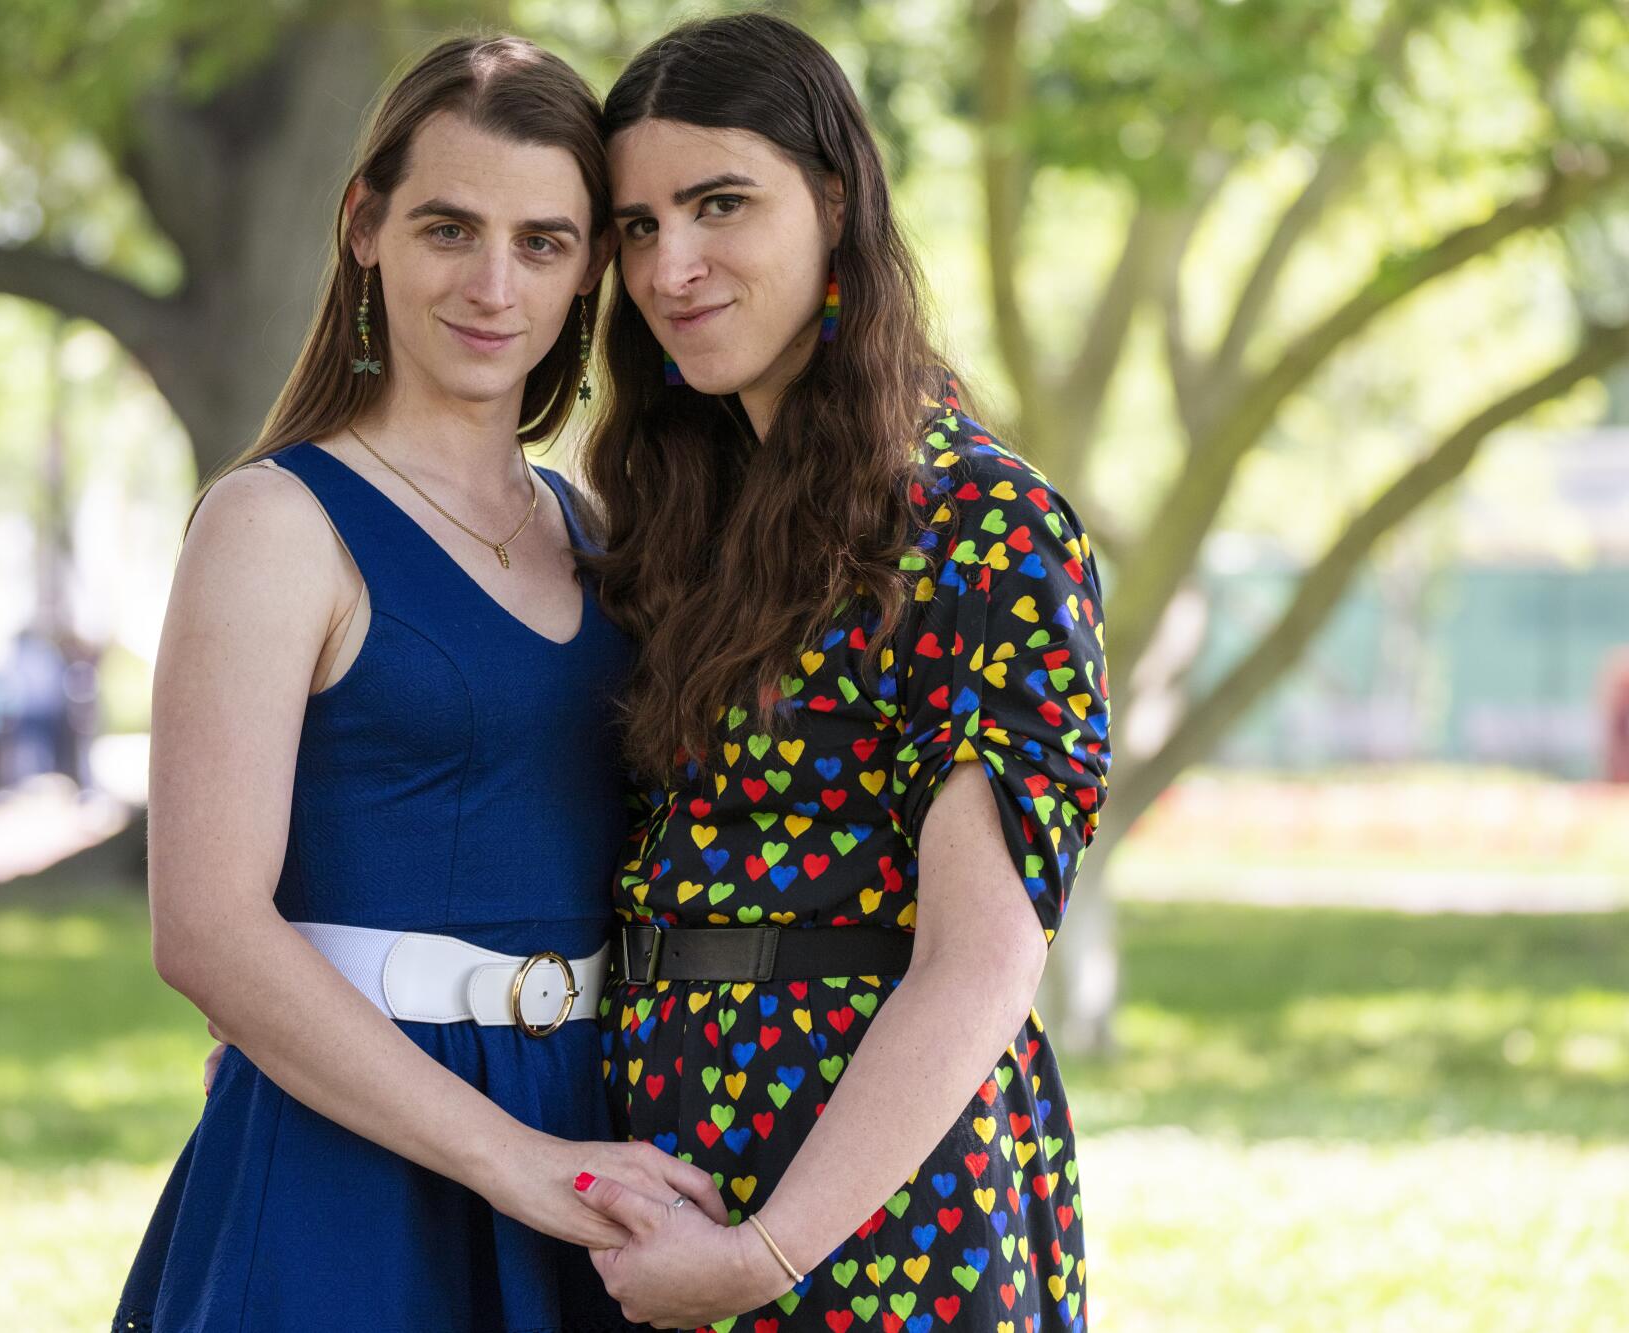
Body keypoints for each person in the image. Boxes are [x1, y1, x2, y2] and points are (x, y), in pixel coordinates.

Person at [111, 35, 723, 1333]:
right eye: (451, 227)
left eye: (545, 241)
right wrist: (520, 1163)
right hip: (345, 1167)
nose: (494, 284)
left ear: (592, 271)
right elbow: (206, 929)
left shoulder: (606, 535)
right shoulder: (275, 523)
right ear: (365, 224)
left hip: (586, 1130)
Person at [565, 15, 1110, 1331]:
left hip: (873, 1204)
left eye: (719, 205)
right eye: (636, 226)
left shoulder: (978, 522)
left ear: (834, 199)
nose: (670, 266)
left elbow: (981, 962)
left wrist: (766, 1252)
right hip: (662, 1169)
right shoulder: (670, 520)